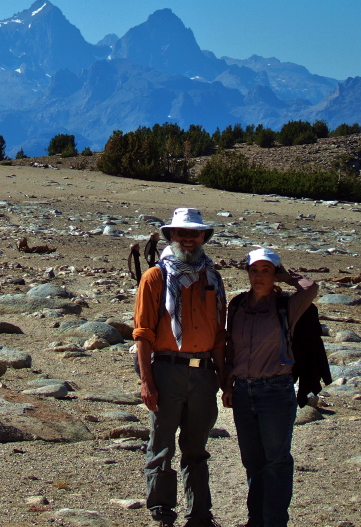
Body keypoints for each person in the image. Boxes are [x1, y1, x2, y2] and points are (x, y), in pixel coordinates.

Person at [133, 208, 226, 527]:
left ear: (203, 238)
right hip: (167, 371)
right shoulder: (155, 277)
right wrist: (147, 382)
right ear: (171, 236)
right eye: (181, 233)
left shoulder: (213, 277)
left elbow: (219, 337)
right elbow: (142, 334)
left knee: (196, 447)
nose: (188, 239)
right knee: (161, 445)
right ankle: (162, 512)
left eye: (194, 233)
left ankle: (200, 515)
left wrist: (226, 382)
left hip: (204, 374)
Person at [222, 248, 319, 527]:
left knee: (276, 461)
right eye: (255, 270)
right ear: (248, 273)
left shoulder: (286, 304)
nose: (259, 277)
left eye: (266, 271)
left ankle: (274, 521)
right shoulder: (237, 304)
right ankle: (256, 520)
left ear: (274, 274)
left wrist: (287, 276)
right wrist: (227, 383)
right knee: (252, 461)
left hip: (275, 390)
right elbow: (231, 348)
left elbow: (311, 287)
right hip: (242, 391)